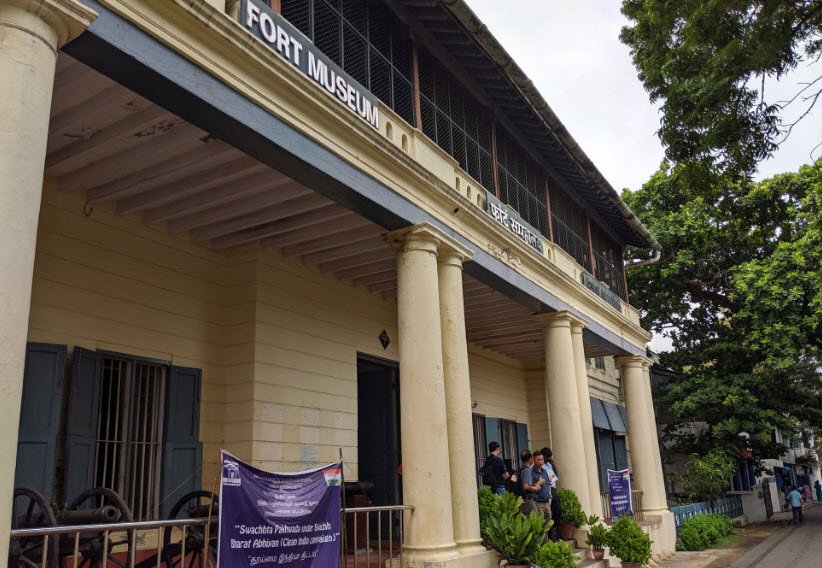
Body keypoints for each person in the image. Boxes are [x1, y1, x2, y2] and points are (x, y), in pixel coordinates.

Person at [521, 450, 552, 528]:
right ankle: (543, 540)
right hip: (538, 502)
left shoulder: (544, 471)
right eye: (539, 460)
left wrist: (550, 498)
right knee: (540, 525)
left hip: (546, 501)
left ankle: (547, 540)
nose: (541, 462)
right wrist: (538, 483)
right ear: (533, 460)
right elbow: (527, 486)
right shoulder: (529, 471)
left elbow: (548, 485)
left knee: (547, 525)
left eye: (542, 460)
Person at [541, 447, 561, 540]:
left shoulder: (549, 464)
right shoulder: (541, 466)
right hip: (546, 489)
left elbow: (555, 476)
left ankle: (553, 528)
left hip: (553, 489)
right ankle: (551, 535)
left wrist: (552, 462)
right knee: (548, 513)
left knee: (557, 510)